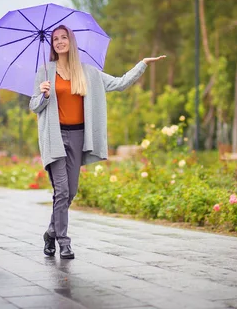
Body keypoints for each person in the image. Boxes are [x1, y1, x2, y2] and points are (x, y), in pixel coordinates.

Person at [29, 24, 165, 259]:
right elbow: (34, 106)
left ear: (71, 42)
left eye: (63, 37)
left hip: (78, 135)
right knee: (61, 191)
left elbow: (120, 83)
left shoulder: (88, 72)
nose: (59, 42)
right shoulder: (45, 72)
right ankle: (64, 241)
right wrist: (43, 94)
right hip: (54, 137)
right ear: (52, 45)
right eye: (55, 39)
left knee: (70, 192)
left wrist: (142, 64)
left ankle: (51, 232)